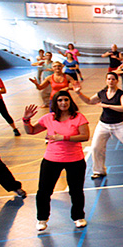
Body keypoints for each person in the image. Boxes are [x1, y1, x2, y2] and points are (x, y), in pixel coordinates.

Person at [22, 91, 90, 231]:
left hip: (75, 160)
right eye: (60, 100)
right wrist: (26, 120)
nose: (63, 103)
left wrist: (64, 138)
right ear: (55, 103)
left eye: (66, 100)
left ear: (70, 101)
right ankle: (42, 218)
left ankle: (78, 217)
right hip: (52, 159)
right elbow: (31, 131)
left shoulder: (78, 117)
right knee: (44, 191)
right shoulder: (48, 118)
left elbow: (85, 136)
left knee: (76, 191)